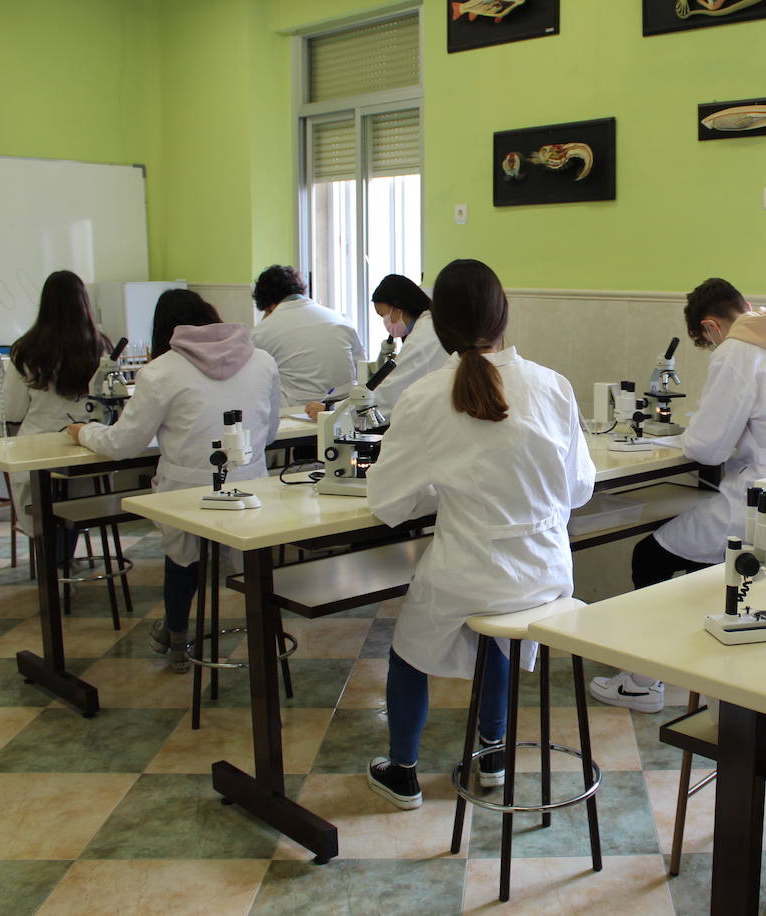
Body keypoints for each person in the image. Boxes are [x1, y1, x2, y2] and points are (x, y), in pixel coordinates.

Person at [363, 259, 595, 810]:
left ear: (437, 324)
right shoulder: (552, 385)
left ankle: (402, 771)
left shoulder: (425, 396)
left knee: (406, 652)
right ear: (503, 316)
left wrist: (443, 489)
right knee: (499, 640)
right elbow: (578, 490)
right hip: (546, 575)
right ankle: (492, 756)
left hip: (466, 573)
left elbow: (386, 503)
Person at [589, 277, 766, 713]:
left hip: (760, 498)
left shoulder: (735, 351)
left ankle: (641, 683)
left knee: (650, 556)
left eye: (706, 342)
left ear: (710, 327)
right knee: (709, 561)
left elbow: (706, 447)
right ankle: (694, 662)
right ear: (746, 304)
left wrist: (701, 429)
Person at [67, 290, 281, 673]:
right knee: (249, 562)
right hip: (252, 488)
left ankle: (178, 638)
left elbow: (123, 444)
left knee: (183, 559)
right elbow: (268, 432)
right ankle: (265, 638)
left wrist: (84, 432)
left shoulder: (161, 370)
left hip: (186, 493)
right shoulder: (262, 362)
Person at [0, 270, 112, 515]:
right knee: (79, 514)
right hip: (88, 453)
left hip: (37, 453)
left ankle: (53, 552)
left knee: (43, 524)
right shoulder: (101, 345)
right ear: (85, 302)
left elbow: (13, 411)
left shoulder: (26, 349)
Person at [304, 274, 449, 420]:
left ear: (398, 308)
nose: (386, 323)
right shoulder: (431, 327)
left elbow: (390, 396)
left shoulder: (422, 338)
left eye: (384, 315)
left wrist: (332, 410)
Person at [250, 265, 363, 408]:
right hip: (342, 411)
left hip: (295, 415)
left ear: (267, 305)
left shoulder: (262, 332)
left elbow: (254, 381)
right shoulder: (340, 318)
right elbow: (361, 368)